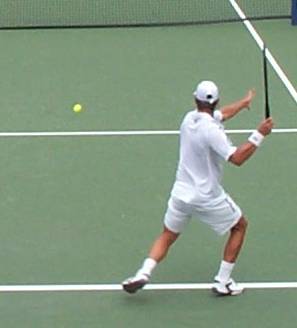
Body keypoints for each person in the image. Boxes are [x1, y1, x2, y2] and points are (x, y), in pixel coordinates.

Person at [122, 80, 273, 296]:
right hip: (206, 196)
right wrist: (259, 134)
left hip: (181, 194)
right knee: (239, 226)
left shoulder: (188, 119)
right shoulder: (212, 131)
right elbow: (237, 158)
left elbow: (221, 115)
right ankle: (223, 281)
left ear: (196, 100)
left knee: (167, 235)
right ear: (216, 101)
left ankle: (143, 272)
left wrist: (243, 103)